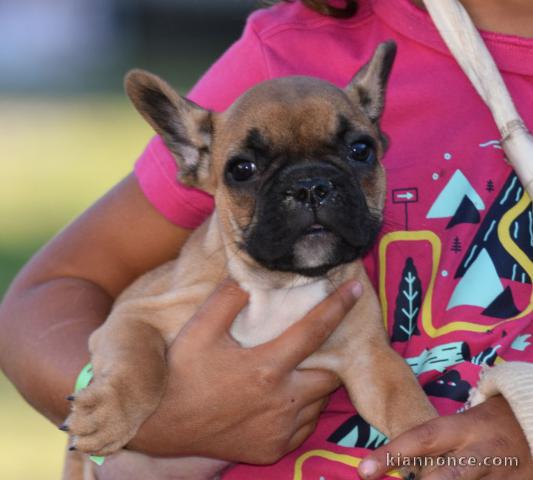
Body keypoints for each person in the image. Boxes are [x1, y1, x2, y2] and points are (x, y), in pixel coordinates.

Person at [1, 0, 532, 478]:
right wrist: (147, 411)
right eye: (249, 168)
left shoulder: (350, 291)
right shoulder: (280, 50)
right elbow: (101, 308)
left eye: (355, 153)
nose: (312, 192)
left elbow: (377, 373)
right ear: (193, 157)